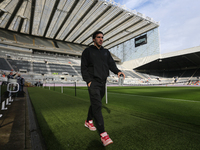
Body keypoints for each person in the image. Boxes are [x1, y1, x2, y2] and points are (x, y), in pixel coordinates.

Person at [81, 31, 125, 146]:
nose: (101, 39)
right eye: (98, 37)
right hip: (93, 82)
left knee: (96, 103)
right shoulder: (87, 51)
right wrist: (88, 81)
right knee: (98, 105)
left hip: (103, 82)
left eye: (102, 37)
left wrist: (118, 71)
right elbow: (83, 67)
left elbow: (111, 65)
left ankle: (88, 121)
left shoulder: (106, 52)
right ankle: (103, 134)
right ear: (93, 39)